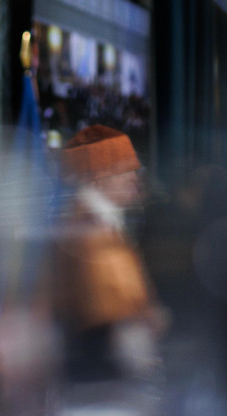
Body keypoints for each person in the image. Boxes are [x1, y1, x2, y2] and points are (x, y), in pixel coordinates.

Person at [53, 124, 167, 385]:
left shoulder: (104, 222)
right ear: (97, 177)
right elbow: (106, 310)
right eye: (124, 169)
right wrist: (147, 314)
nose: (134, 179)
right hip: (98, 371)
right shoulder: (86, 226)